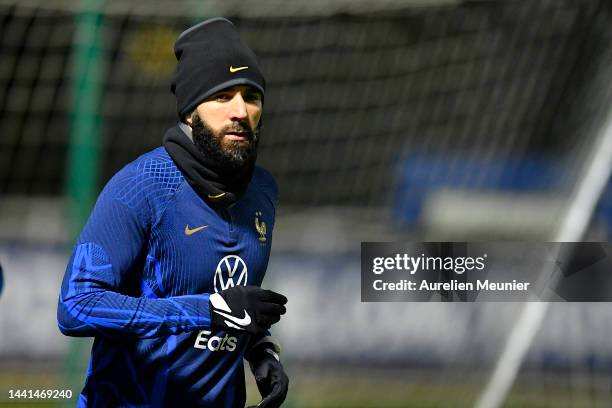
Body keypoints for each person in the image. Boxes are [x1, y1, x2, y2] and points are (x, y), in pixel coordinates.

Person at [57, 17, 289, 407]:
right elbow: (76, 306)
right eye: (222, 95)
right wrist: (211, 310)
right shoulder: (140, 187)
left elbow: (229, 306)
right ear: (189, 111)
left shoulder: (263, 191)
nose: (240, 110)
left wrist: (261, 350)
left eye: (251, 96)